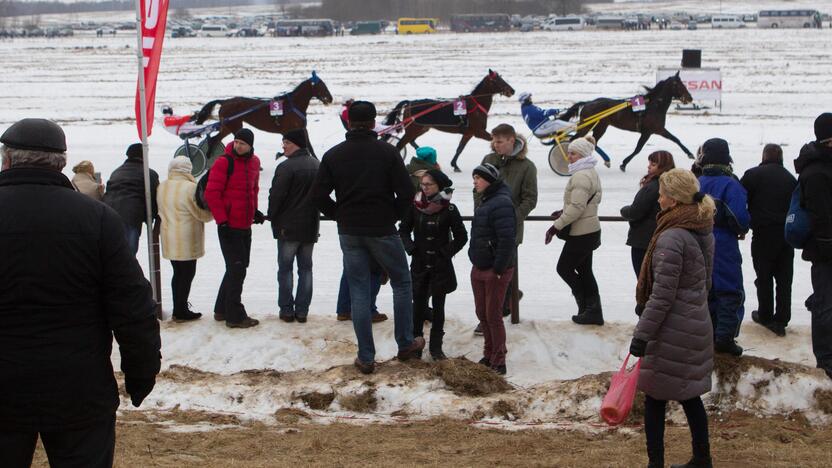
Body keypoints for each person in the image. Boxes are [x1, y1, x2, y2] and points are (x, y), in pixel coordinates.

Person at [0, 118, 161, 467]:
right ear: (60, 162)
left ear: (7, 160)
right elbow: (133, 306)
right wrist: (141, 373)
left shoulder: (98, 218)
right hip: (79, 388)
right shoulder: (98, 218)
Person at [312, 100, 424, 374]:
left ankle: (365, 356)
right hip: (382, 228)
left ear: (349, 123)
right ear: (374, 123)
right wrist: (392, 215)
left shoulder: (334, 155)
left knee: (359, 290)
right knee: (401, 282)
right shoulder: (387, 153)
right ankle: (406, 344)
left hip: (350, 231)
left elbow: (317, 196)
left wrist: (339, 214)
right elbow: (408, 194)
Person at [629, 168, 716, 468]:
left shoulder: (672, 237)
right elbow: (704, 283)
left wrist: (642, 334)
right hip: (695, 322)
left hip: (671, 329)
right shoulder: (700, 226)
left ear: (675, 200)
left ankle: (656, 463)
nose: (659, 198)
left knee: (655, 398)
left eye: (663, 193)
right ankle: (702, 458)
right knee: (689, 396)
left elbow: (663, 295)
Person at [474, 123, 537, 334]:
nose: (495, 145)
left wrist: (512, 218)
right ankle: (496, 310)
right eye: (493, 140)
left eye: (499, 141)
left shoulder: (527, 166)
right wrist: (481, 211)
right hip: (485, 231)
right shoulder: (489, 160)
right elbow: (477, 188)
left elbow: (530, 198)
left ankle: (496, 314)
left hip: (509, 231)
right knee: (485, 273)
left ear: (512, 140)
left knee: (502, 271)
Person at [399, 169, 468, 360]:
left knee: (438, 307)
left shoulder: (450, 209)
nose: (425, 188)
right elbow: (403, 230)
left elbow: (462, 237)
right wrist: (411, 248)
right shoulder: (415, 206)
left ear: (439, 186)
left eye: (429, 184)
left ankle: (436, 348)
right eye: (423, 184)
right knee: (418, 305)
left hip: (440, 266)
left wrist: (445, 252)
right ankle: (416, 345)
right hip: (420, 264)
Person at [205, 128, 266, 329]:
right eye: (237, 142)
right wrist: (222, 221)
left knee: (237, 267)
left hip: (244, 224)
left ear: (250, 146)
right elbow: (212, 193)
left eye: (243, 143)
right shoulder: (224, 162)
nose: (239, 146)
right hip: (228, 225)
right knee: (237, 269)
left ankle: (221, 309)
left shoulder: (255, 162)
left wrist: (254, 211)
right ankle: (235, 315)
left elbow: (253, 189)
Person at [698, 138, 750, 356]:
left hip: (697, 241)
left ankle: (708, 335)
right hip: (723, 243)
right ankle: (725, 338)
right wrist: (740, 228)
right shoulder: (730, 184)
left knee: (705, 290)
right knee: (729, 290)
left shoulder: (696, 182)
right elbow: (740, 219)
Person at [740, 144, 797, 337]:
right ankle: (782, 318)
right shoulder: (790, 178)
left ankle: (765, 314)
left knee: (763, 276)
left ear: (763, 156)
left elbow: (739, 198)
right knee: (784, 277)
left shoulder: (753, 175)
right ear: (781, 157)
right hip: (786, 234)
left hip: (763, 233)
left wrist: (744, 223)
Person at [546, 136, 603, 325]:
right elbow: (581, 204)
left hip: (581, 233)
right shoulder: (589, 172)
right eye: (569, 152)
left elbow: (577, 208)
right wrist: (564, 210)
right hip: (590, 230)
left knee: (564, 268)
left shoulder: (581, 176)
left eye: (573, 153)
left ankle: (586, 305)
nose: (568, 157)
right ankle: (592, 311)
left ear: (583, 154)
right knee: (585, 271)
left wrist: (556, 227)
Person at [268, 128, 320, 323]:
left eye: (287, 142)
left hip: (288, 227)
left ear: (297, 144)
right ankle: (303, 310)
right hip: (310, 227)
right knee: (306, 269)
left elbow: (276, 196)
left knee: (285, 269)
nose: (283, 146)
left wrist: (272, 216)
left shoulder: (286, 167)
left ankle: (287, 309)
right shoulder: (317, 164)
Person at [794, 112, 832, 380]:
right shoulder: (817, 171)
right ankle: (827, 361)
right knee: (826, 305)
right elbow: (821, 217)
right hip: (825, 250)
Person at [469, 163, 516, 375]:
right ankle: (488, 355)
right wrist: (473, 255)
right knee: (482, 313)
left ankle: (499, 359)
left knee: (493, 315)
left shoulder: (502, 203)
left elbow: (507, 240)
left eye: (478, 178)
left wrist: (498, 267)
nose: (475, 182)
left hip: (495, 269)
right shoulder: (486, 200)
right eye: (474, 178)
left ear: (489, 180)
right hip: (480, 265)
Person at [157, 156, 214, 322]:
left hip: (169, 236)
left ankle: (179, 307)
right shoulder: (190, 188)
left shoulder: (162, 186)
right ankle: (180, 310)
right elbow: (200, 213)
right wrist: (211, 214)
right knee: (187, 274)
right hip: (187, 238)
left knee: (178, 273)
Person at [621, 151, 676, 275]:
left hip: (644, 239)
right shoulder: (672, 184)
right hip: (663, 236)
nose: (649, 166)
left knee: (644, 279)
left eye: (654, 164)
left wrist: (624, 210)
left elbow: (635, 211)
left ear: (663, 166)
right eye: (649, 163)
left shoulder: (653, 186)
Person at [518, 92, 612, 166]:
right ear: (526, 100)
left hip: (541, 126)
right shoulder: (528, 109)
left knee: (556, 122)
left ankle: (574, 126)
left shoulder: (527, 107)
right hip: (540, 129)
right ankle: (575, 127)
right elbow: (544, 113)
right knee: (556, 123)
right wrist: (557, 111)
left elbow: (542, 114)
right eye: (529, 98)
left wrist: (556, 113)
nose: (531, 99)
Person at [103, 143, 159, 254]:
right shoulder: (149, 174)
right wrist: (152, 217)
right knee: (128, 256)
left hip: (108, 214)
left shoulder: (117, 171)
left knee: (111, 255)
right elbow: (153, 197)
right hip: (130, 216)